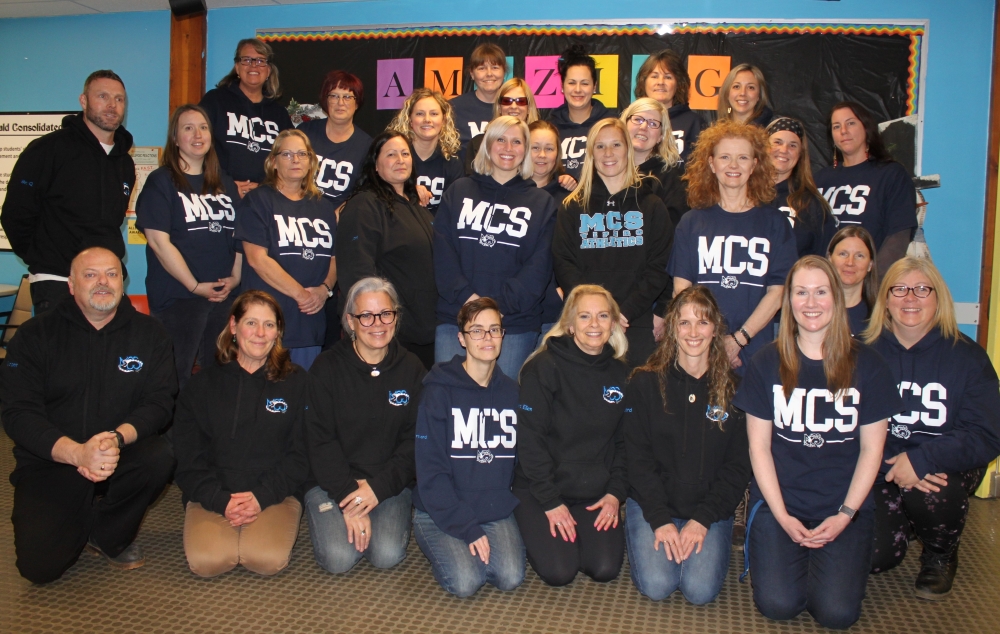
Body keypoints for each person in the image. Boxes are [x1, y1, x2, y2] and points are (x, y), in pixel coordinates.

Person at [734, 256, 900, 629]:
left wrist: (845, 515)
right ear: (788, 301)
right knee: (778, 605)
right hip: (781, 504)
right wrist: (781, 515)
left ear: (836, 298)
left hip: (841, 505)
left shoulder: (869, 365)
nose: (811, 303)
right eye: (801, 292)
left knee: (837, 614)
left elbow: (873, 450)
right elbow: (758, 448)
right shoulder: (765, 362)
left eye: (821, 292)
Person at [0, 247, 176, 583]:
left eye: (111, 274)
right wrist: (77, 452)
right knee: (40, 569)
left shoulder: (151, 335)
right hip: (54, 457)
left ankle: (106, 532)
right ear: (71, 284)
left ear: (122, 282)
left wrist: (116, 439)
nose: (102, 283)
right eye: (90, 274)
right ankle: (75, 511)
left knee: (160, 456)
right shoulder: (34, 336)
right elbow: (18, 414)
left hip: (118, 451)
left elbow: (159, 403)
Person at [865, 258, 1000, 599]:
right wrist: (895, 463)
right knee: (874, 557)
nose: (910, 298)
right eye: (900, 289)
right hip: (880, 464)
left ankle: (940, 555)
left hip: (944, 468)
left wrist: (923, 459)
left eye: (922, 289)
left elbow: (987, 434)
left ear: (938, 297)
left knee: (934, 490)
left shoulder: (968, 357)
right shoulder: (862, 353)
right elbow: (844, 425)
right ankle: (906, 521)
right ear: (886, 299)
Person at [624, 286, 751, 604]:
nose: (693, 332)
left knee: (699, 591)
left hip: (707, 509)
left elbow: (738, 468)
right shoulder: (645, 383)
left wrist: (703, 519)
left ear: (715, 329)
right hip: (653, 504)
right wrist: (659, 519)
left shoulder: (736, 392)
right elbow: (636, 459)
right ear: (671, 329)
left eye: (703, 322)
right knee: (657, 585)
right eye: (684, 323)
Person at [174, 290, 309, 577]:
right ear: (234, 327)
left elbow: (301, 455)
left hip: (274, 494)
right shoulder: (201, 386)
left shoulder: (297, 383)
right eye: (251, 323)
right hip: (214, 494)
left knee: (265, 560)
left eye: (269, 325)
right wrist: (220, 500)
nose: (260, 333)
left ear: (278, 333)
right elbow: (187, 459)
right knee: (208, 563)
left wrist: (261, 496)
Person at [306, 277, 426, 574]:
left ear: (396, 317)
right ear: (350, 320)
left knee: (386, 554)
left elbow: (416, 441)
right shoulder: (326, 367)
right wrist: (349, 497)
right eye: (366, 316)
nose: (378, 324)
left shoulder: (412, 368)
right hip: (332, 481)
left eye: (386, 314)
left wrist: (377, 488)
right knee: (338, 559)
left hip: (387, 482)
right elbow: (319, 440)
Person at [514, 285, 630, 586]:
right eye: (585, 316)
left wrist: (615, 494)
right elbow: (529, 441)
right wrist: (551, 501)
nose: (594, 325)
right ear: (569, 325)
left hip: (594, 493)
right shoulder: (542, 368)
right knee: (560, 572)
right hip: (542, 490)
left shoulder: (622, 375)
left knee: (604, 568)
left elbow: (625, 444)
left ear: (614, 323)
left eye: (603, 316)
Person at [413, 297, 525, 597]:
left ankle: (469, 545)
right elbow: (431, 471)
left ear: (503, 335)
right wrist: (467, 527)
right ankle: (442, 539)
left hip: (492, 506)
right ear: (461, 338)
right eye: (476, 331)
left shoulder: (513, 394)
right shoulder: (437, 392)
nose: (487, 338)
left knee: (510, 576)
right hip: (440, 507)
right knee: (466, 582)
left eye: (494, 330)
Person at [2, 70, 135, 314]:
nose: (111, 105)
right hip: (58, 280)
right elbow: (15, 214)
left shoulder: (124, 163)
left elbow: (111, 224)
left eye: (119, 99)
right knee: (60, 353)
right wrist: (45, 259)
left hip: (107, 283)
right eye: (102, 96)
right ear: (83, 101)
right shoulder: (48, 149)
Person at [434, 116, 557, 378]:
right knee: (450, 403)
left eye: (516, 141)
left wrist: (493, 311)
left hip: (514, 324)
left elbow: (539, 267)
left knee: (503, 409)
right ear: (487, 145)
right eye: (500, 139)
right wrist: (471, 305)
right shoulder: (458, 191)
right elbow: (443, 255)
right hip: (456, 318)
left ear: (525, 150)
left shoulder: (542, 203)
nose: (508, 148)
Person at [668, 120, 797, 371]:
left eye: (743, 158)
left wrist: (739, 340)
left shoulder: (775, 223)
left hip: (755, 351)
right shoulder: (692, 222)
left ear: (755, 165)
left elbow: (779, 291)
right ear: (711, 164)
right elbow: (681, 293)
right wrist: (712, 344)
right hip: (700, 350)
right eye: (725, 157)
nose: (734, 165)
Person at [136, 104, 241, 389]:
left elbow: (239, 238)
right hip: (179, 300)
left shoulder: (225, 184)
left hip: (221, 297)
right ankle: (172, 435)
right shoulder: (162, 182)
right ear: (175, 138)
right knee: (174, 377)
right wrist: (194, 286)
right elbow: (159, 242)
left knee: (218, 377)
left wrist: (235, 278)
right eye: (188, 128)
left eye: (203, 127)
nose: (198, 134)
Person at [553, 118, 674, 367]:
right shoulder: (572, 207)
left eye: (616, 145)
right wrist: (596, 314)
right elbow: (564, 264)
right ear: (591, 154)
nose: (608, 153)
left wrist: (622, 313)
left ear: (628, 150)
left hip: (634, 321)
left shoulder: (651, 205)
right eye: (600, 146)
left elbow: (658, 267)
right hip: (586, 324)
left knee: (634, 402)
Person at [236, 129, 336, 370]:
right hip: (265, 328)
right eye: (287, 154)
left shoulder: (324, 207)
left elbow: (333, 258)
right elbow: (257, 259)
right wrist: (302, 295)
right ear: (273, 161)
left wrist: (325, 289)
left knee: (302, 401)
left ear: (312, 161)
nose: (295, 159)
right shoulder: (257, 200)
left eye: (302, 154)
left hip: (308, 326)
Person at [336, 131, 437, 369]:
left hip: (426, 334)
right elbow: (357, 271)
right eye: (391, 154)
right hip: (388, 334)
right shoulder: (365, 205)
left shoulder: (418, 207)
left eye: (405, 153)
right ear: (376, 166)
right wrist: (377, 323)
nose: (400, 159)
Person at [815, 101, 917, 271]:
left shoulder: (891, 175)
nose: (844, 131)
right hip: (823, 285)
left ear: (867, 128)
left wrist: (873, 286)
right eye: (836, 126)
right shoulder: (819, 180)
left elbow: (898, 237)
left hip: (868, 285)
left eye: (851, 123)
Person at [200, 38, 293, 197]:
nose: (253, 65)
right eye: (247, 60)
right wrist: (226, 184)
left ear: (268, 70)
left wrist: (266, 188)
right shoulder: (215, 101)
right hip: (219, 194)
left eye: (260, 60)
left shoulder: (280, 115)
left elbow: (290, 159)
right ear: (237, 67)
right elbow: (198, 148)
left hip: (265, 200)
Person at [299, 70, 372, 210]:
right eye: (334, 96)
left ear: (357, 104)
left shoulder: (367, 146)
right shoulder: (305, 133)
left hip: (339, 221)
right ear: (326, 101)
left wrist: (343, 211)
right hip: (300, 214)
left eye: (347, 97)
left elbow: (365, 194)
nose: (340, 103)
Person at [767, 116, 838, 257]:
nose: (784, 149)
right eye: (777, 142)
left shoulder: (811, 205)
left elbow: (823, 260)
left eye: (793, 145)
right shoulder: (742, 195)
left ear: (800, 154)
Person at [387, 88, 463, 212]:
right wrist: (408, 189)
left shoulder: (452, 163)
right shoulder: (394, 157)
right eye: (419, 114)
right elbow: (376, 192)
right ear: (410, 120)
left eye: (434, 114)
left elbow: (453, 211)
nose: (427, 119)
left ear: (443, 120)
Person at [548, 44, 616, 179]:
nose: (578, 89)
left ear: (594, 86)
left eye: (584, 83)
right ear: (562, 86)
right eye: (572, 83)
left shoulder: (611, 125)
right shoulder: (550, 128)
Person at [620, 97, 688, 227]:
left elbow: (672, 227)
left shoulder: (672, 177)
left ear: (661, 136)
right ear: (624, 125)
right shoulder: (605, 168)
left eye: (653, 124)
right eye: (638, 119)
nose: (643, 127)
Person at [633, 49, 706, 165]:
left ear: (678, 84)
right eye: (654, 76)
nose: (660, 82)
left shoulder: (694, 123)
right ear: (644, 82)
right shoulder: (631, 120)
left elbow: (701, 169)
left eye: (668, 77)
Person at [464, 77, 541, 174]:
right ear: (499, 107)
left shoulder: (540, 144)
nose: (513, 106)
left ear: (529, 107)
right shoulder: (479, 143)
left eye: (520, 101)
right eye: (507, 101)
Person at [450, 43, 508, 151]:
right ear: (472, 74)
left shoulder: (513, 107)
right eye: (482, 68)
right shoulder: (454, 108)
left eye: (495, 67)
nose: (489, 74)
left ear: (504, 72)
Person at [827, 226, 878, 336]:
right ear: (830, 259)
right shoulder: (812, 310)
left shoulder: (880, 316)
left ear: (870, 265)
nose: (850, 262)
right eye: (843, 254)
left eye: (859, 256)